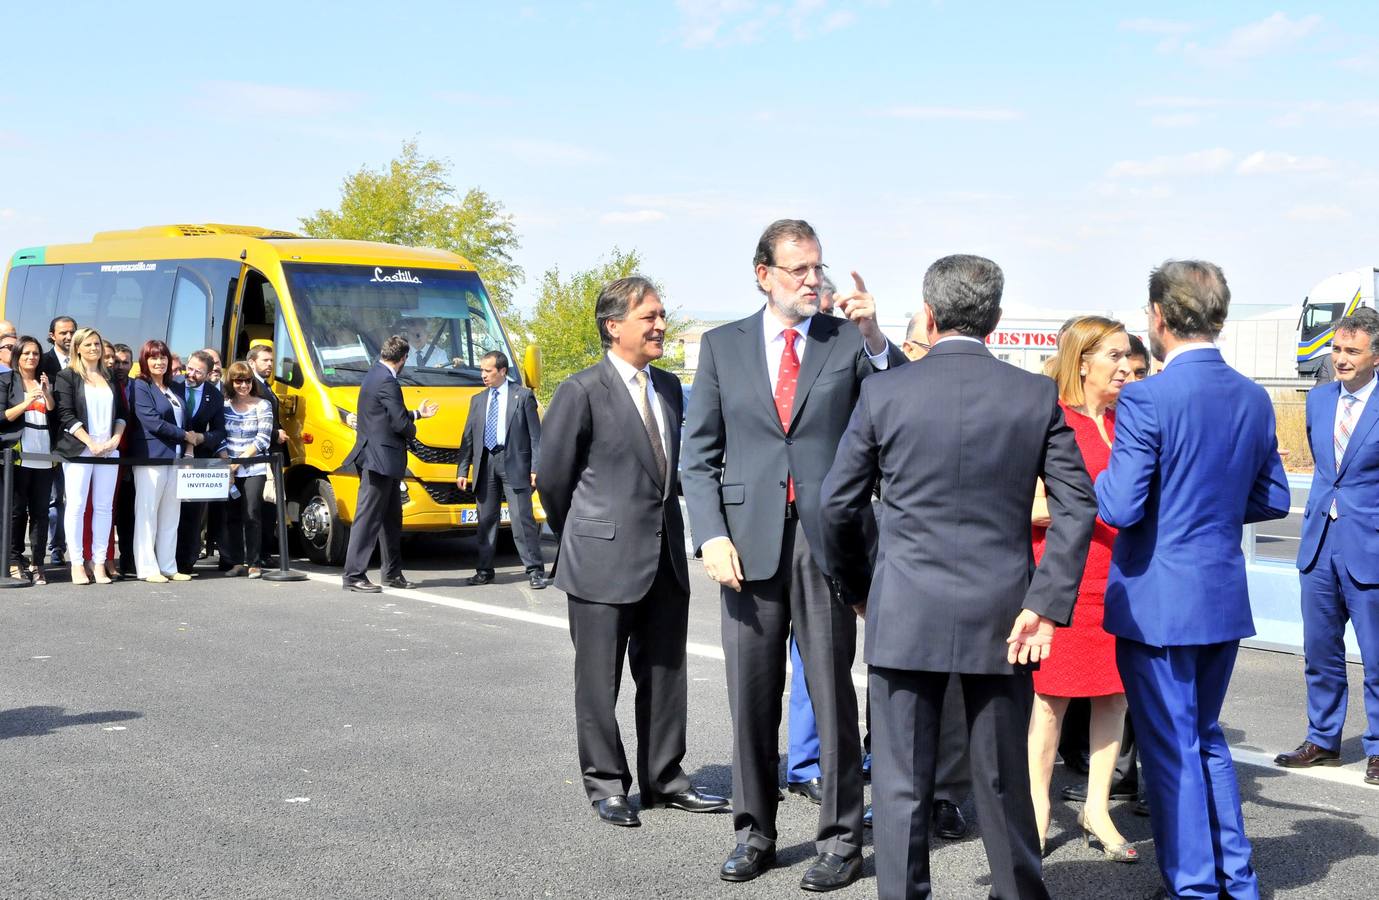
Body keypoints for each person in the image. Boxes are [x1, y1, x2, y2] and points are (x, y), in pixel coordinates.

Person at [819, 254, 1095, 900]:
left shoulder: (885, 391)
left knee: (899, 782)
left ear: (928, 315)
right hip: (1005, 614)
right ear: (994, 319)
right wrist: (1046, 602)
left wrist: (858, 587)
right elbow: (1077, 504)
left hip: (904, 606)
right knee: (1001, 777)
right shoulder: (1031, 394)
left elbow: (837, 504)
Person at [682, 218, 905, 891]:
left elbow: (893, 405)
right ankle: (754, 830)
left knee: (832, 693)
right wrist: (710, 534)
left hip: (825, 541)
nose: (813, 281)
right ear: (763, 275)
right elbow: (699, 454)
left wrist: (875, 340)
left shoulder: (846, 342)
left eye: (817, 268)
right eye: (798, 270)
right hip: (744, 546)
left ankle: (841, 838)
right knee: (750, 695)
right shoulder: (722, 347)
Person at [1097, 259, 1290, 900]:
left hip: (1158, 597)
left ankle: (1195, 886)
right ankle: (1235, 878)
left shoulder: (1147, 396)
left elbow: (1120, 506)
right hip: (1219, 591)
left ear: (1158, 316)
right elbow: (1273, 498)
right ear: (1220, 316)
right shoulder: (1253, 396)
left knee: (1172, 746)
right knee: (1204, 737)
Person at [537, 276, 728, 829]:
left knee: (666, 673)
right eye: (649, 317)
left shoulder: (667, 386)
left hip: (665, 556)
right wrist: (589, 531)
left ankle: (665, 778)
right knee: (600, 680)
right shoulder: (581, 391)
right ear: (613, 325)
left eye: (662, 315)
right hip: (600, 560)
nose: (660, 325)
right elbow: (553, 481)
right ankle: (606, 784)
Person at [1024, 316, 1138, 863]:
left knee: (1113, 696)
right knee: (1050, 701)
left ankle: (1097, 808)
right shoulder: (1052, 420)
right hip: (1065, 578)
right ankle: (1037, 811)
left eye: (1128, 357)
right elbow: (1026, 506)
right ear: (1083, 359)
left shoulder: (1128, 422)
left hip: (1122, 578)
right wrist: (1088, 505)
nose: (1125, 366)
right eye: (1114, 356)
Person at [1276, 313, 1379, 786]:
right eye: (1337, 349)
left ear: (1375, 356)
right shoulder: (1317, 401)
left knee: (1376, 658)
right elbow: (1324, 470)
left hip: (1370, 546)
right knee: (1319, 651)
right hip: (1319, 543)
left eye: (1352, 351)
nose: (1340, 358)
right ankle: (1323, 738)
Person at [340, 335, 438, 593]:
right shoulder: (387, 381)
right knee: (369, 517)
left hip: (383, 459)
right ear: (403, 358)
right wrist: (414, 429)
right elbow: (399, 424)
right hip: (379, 459)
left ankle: (392, 572)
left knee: (391, 518)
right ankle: (353, 575)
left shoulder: (375, 374)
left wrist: (418, 413)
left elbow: (389, 414)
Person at [455, 350, 547, 589]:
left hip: (514, 462)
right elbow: (468, 438)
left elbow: (536, 437)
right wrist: (462, 470)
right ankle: (484, 570)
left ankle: (535, 571)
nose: (483, 375)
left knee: (521, 518)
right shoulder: (478, 399)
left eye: (488, 371)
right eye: (482, 370)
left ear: (502, 371)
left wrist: (536, 468)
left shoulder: (523, 396)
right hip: (486, 463)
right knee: (486, 520)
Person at [53, 326, 127, 585]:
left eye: (97, 343)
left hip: (108, 450)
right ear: (78, 348)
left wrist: (115, 439)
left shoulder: (109, 378)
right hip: (79, 450)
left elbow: (121, 415)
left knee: (104, 507)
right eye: (89, 344)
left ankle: (98, 563)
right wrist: (89, 443)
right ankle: (76, 563)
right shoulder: (67, 376)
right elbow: (65, 415)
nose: (95, 348)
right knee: (76, 506)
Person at [128, 339, 197, 583]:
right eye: (153, 357)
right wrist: (185, 435)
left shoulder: (174, 388)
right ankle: (147, 568)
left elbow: (184, 422)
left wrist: (187, 447)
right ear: (145, 361)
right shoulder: (139, 386)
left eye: (163, 357)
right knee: (147, 515)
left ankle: (168, 565)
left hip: (175, 460)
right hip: (151, 458)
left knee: (171, 515)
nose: (159, 362)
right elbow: (152, 421)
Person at [4, 336, 55, 584]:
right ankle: (14, 560)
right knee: (15, 512)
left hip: (45, 457)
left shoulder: (44, 381)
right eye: (26, 353)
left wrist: (47, 394)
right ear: (17, 356)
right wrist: (27, 401)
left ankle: (37, 563)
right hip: (18, 457)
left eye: (35, 353)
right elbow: (3, 416)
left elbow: (54, 415)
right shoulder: (7, 381)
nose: (31, 358)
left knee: (40, 513)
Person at [220, 361, 275, 578]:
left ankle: (254, 562)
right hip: (229, 468)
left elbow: (263, 439)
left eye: (248, 380)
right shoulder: (224, 406)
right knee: (232, 515)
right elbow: (219, 436)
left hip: (254, 467)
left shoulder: (263, 405)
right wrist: (228, 464)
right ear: (231, 382)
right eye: (238, 381)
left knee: (252, 512)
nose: (244, 385)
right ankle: (236, 562)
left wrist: (239, 462)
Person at [174, 351, 227, 575]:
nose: (192, 374)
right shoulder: (173, 386)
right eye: (191, 368)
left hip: (198, 459)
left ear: (208, 374)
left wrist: (202, 438)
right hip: (170, 454)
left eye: (199, 372)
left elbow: (219, 430)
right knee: (168, 512)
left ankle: (186, 562)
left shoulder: (214, 396)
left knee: (193, 514)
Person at [41, 315, 76, 566]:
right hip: (50, 440)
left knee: (72, 498)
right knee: (54, 498)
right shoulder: (42, 361)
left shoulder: (81, 362)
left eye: (72, 332)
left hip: (77, 440)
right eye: (63, 332)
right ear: (52, 335)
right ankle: (56, 548)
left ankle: (70, 547)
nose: (68, 336)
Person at [248, 343, 288, 562]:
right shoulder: (253, 386)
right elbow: (252, 419)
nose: (270, 364)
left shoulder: (266, 385)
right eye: (265, 360)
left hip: (271, 451)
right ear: (252, 362)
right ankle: (260, 552)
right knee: (263, 503)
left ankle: (264, 551)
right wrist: (275, 434)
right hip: (261, 451)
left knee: (269, 503)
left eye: (271, 361)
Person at [108, 344, 137, 577]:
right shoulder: (105, 385)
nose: (120, 367)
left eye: (125, 362)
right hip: (107, 453)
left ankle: (128, 559)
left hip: (131, 456)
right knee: (107, 508)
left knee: (128, 512)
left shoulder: (138, 388)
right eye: (116, 362)